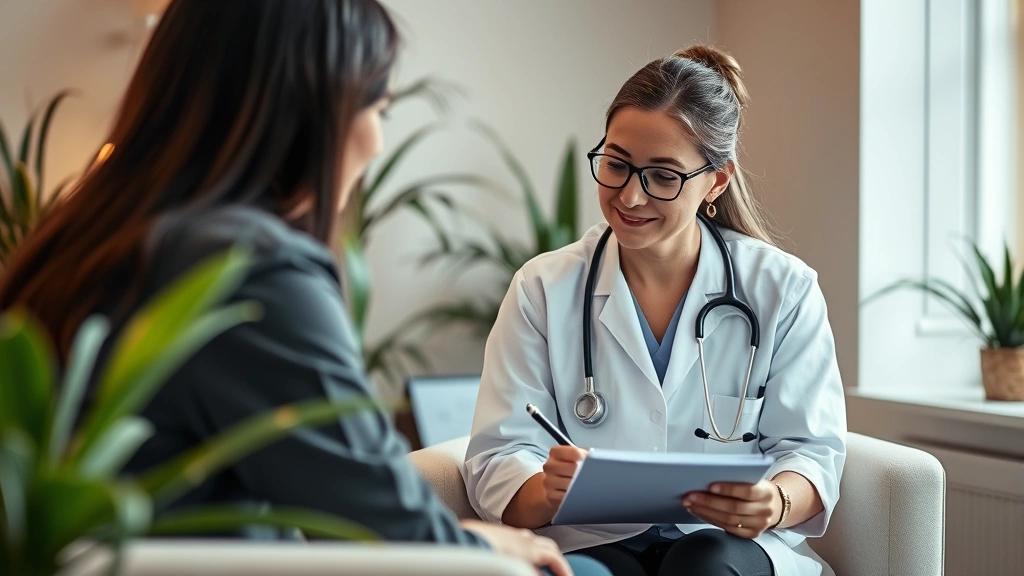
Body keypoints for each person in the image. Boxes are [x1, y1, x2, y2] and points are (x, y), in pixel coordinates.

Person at [0, 2, 612, 575]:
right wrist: (474, 545)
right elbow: (373, 515)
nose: (376, 140)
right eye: (379, 110)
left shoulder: (78, 236)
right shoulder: (250, 267)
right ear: (318, 113)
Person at [462, 44, 847, 576]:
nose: (630, 196)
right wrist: (547, 490)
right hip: (589, 540)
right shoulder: (542, 288)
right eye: (616, 165)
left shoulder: (783, 289)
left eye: (663, 176)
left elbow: (811, 450)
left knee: (704, 566)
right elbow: (498, 458)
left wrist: (775, 501)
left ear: (717, 180)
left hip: (725, 546)